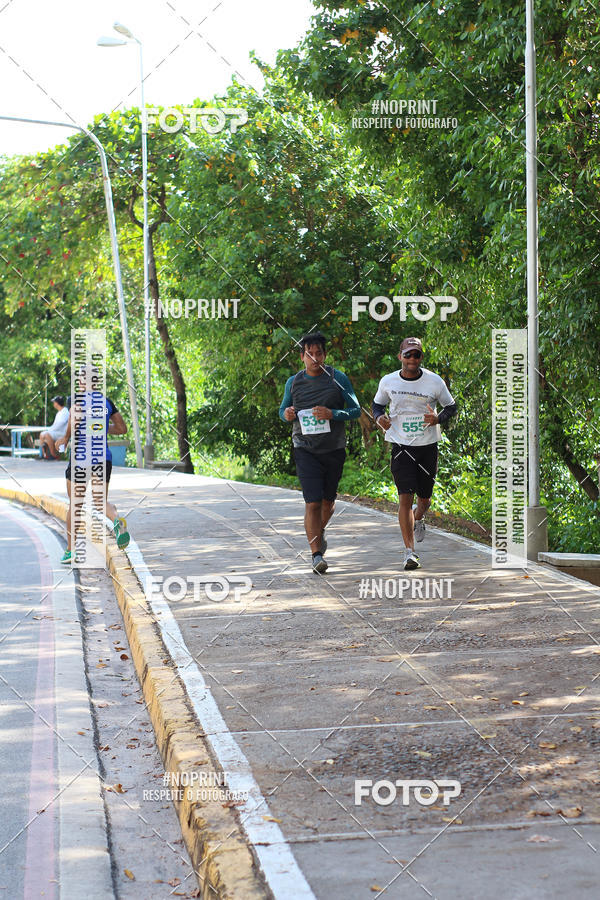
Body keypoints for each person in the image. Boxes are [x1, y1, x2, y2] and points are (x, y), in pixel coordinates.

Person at [372, 337, 457, 570]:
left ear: (421, 357)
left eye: (416, 355)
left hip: (427, 446)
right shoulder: (388, 381)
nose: (412, 359)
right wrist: (380, 419)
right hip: (401, 446)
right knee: (404, 497)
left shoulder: (434, 381)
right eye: (407, 354)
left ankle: (418, 517)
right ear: (400, 356)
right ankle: (409, 552)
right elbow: (377, 405)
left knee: (425, 500)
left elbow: (451, 406)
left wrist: (438, 418)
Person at [279, 332, 361, 574]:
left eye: (319, 354)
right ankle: (316, 555)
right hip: (304, 448)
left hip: (333, 448)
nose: (314, 359)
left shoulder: (339, 379)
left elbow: (355, 410)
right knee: (312, 502)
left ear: (325, 355)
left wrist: (332, 414)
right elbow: (283, 409)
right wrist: (287, 414)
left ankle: (319, 532)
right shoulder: (293, 382)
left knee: (328, 501)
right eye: (309, 354)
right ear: (302, 356)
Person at [60, 366, 130, 565]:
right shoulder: (107, 403)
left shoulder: (76, 400)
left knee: (75, 504)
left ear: (82, 382)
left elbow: (74, 421)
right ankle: (116, 520)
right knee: (101, 503)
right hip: (102, 458)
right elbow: (122, 428)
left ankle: (70, 551)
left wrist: (65, 439)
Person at [40, 395, 69, 459]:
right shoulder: (59, 412)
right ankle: (44, 455)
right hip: (57, 432)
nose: (53, 404)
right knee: (42, 434)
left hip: (62, 433)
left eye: (54, 402)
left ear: (57, 403)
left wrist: (50, 430)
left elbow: (61, 424)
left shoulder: (65, 411)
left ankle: (54, 455)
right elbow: (55, 425)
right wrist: (50, 430)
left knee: (47, 435)